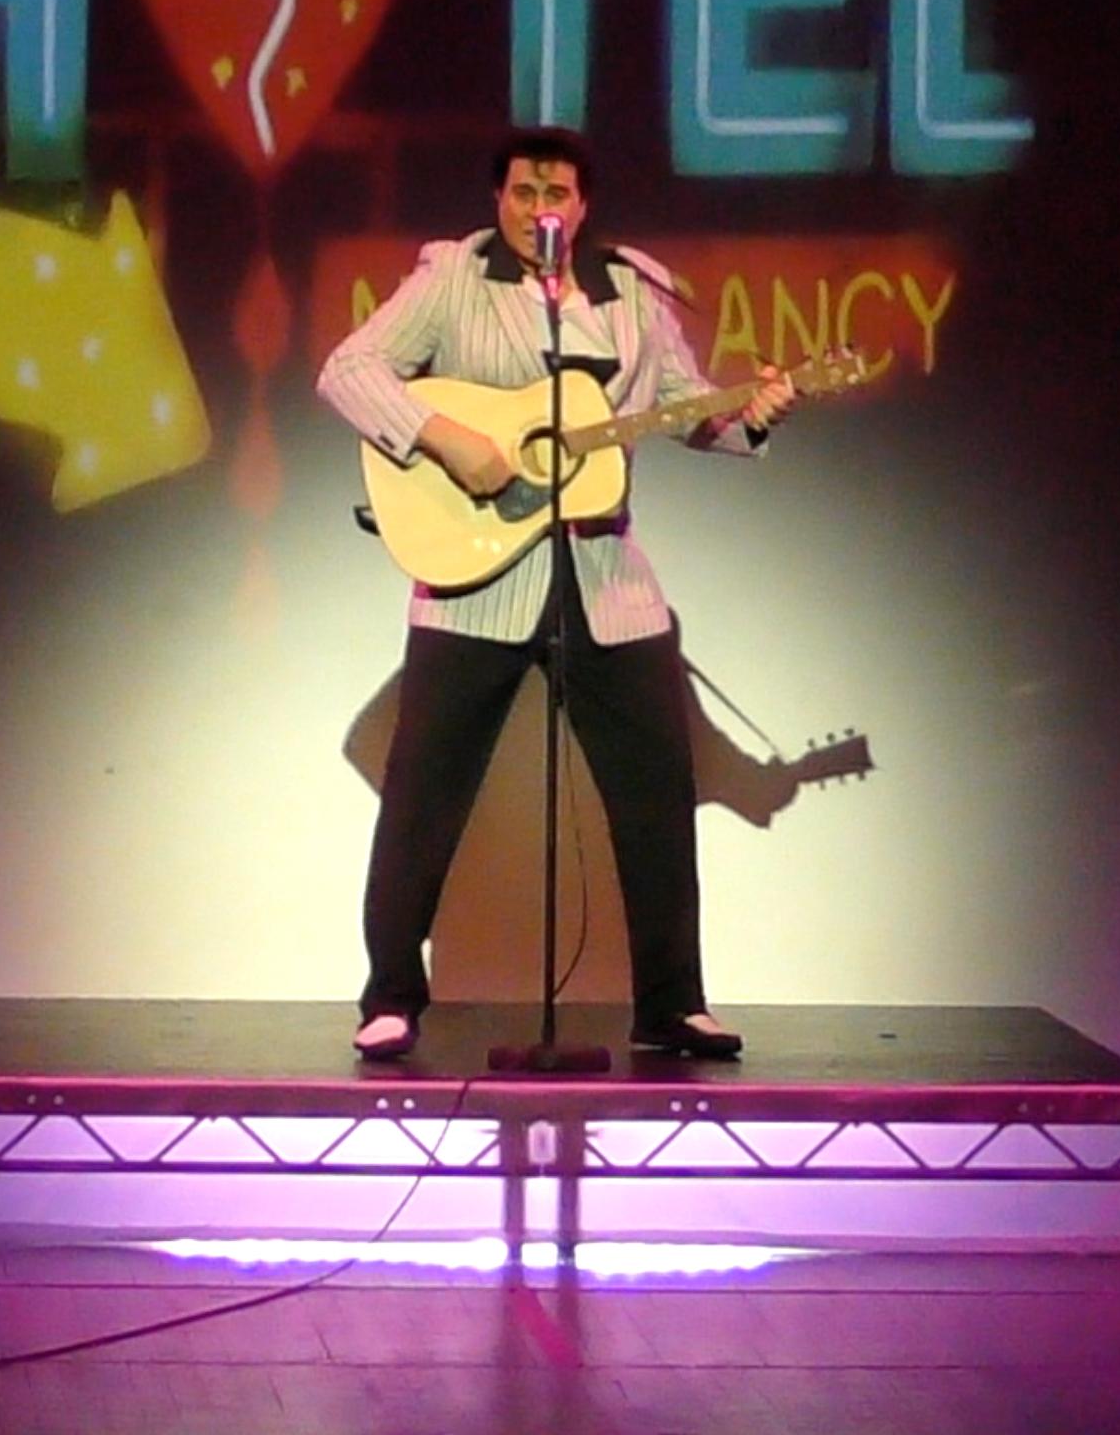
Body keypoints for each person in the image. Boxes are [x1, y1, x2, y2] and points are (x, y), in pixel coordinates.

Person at [316, 126, 797, 1063]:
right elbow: (349, 371)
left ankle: (671, 1003)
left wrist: (751, 419)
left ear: (582, 208)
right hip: (475, 577)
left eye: (560, 193)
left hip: (604, 577)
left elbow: (686, 408)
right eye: (526, 189)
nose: (543, 206)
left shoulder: (629, 296)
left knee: (657, 786)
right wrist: (446, 437)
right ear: (500, 200)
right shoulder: (454, 280)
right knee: (427, 786)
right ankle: (389, 994)